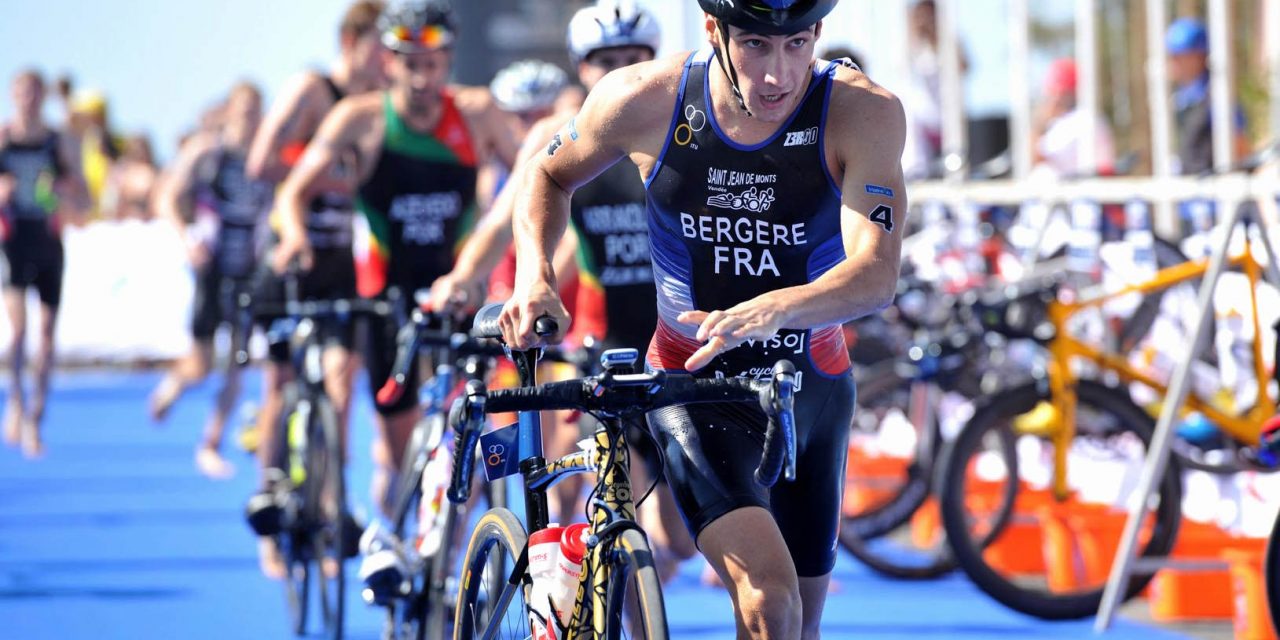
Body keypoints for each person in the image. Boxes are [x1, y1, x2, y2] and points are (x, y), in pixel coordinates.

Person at [496, 0, 906, 637]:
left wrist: (775, 308)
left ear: (818, 34)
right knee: (770, 599)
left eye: (797, 44)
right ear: (714, 31)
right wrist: (536, 278)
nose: (778, 75)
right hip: (692, 379)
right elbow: (548, 173)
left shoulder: (861, 111)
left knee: (794, 625)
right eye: (755, 46)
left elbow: (876, 273)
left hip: (811, 386)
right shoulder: (644, 98)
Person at [432, 0, 696, 575]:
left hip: (673, 347)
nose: (621, 70)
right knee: (587, 504)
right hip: (594, 349)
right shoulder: (560, 135)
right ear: (581, 67)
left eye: (634, 58)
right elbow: (504, 219)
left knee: (679, 539)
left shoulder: (680, 127)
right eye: (606, 61)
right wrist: (464, 277)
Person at [271, 0, 519, 518]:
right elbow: (291, 194)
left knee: (463, 450)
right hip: (387, 298)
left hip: (460, 291)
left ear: (448, 61)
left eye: (432, 63)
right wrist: (295, 237)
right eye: (409, 62)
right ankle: (397, 537)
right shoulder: (358, 119)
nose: (422, 76)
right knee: (402, 453)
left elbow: (540, 184)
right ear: (387, 61)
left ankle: (451, 565)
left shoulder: (477, 113)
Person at [240, 0, 386, 579]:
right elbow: (260, 162)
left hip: (339, 260)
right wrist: (324, 171)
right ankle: (271, 515)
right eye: (381, 46)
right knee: (278, 384)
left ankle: (329, 508)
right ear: (353, 42)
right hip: (289, 257)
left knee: (343, 384)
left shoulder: (374, 109)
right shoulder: (313, 90)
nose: (387, 60)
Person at [147, 82, 272, 480]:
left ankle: (211, 443)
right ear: (229, 111)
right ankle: (176, 383)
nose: (250, 118)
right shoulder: (208, 151)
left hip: (248, 268)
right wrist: (186, 238)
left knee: (238, 362)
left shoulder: (267, 155)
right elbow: (165, 197)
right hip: (213, 267)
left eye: (256, 110)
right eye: (244, 110)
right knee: (201, 364)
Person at [0, 69, 88, 458]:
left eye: (35, 93)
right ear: (13, 96)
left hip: (49, 244)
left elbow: (84, 200)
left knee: (48, 337)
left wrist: (60, 197)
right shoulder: (3, 139)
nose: (28, 100)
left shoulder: (58, 143)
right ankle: (16, 402)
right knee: (18, 334)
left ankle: (38, 417)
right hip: (14, 244)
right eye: (22, 93)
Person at [1166, 17, 1249, 176]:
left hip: (1210, 190)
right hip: (1186, 185)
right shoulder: (1180, 97)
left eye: (1179, 56)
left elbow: (1239, 145)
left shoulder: (1217, 96)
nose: (1173, 62)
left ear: (1198, 56)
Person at [1031, 58, 1116, 179]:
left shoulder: (1081, 120)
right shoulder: (1091, 118)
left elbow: (1037, 158)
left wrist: (1039, 123)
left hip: (1076, 194)